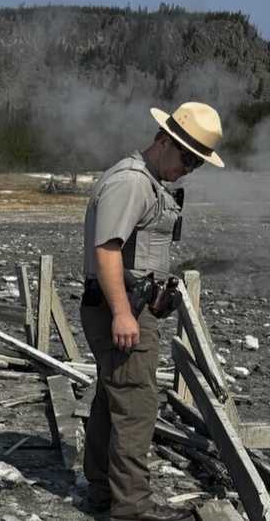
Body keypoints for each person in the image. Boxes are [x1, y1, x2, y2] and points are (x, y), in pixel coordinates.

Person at [80, 102, 224, 521]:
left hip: (127, 302)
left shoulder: (147, 181)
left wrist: (149, 297)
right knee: (137, 406)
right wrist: (124, 313)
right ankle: (131, 510)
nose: (189, 168)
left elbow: (131, 256)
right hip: (117, 307)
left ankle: (102, 492)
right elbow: (107, 251)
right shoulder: (132, 183)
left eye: (197, 163)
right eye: (187, 158)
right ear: (164, 141)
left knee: (113, 398)